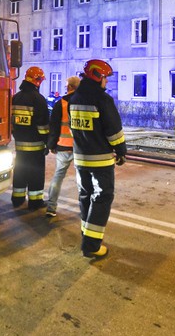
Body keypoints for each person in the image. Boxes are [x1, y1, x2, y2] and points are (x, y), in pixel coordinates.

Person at [69, 59, 126, 259]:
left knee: (85, 195)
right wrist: (121, 150)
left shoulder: (74, 98)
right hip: (100, 159)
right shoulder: (103, 100)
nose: (106, 82)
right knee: (102, 197)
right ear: (97, 76)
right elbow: (113, 131)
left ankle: (86, 234)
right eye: (105, 78)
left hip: (80, 158)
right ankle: (92, 245)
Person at [11, 66, 50, 210]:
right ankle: (35, 201)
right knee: (36, 173)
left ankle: (17, 198)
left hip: (19, 144)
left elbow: (12, 121)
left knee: (20, 170)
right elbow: (43, 125)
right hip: (35, 145)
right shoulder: (38, 99)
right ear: (38, 81)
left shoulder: (16, 97)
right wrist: (47, 142)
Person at [45, 75, 81, 218]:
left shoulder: (61, 104)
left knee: (58, 176)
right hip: (80, 148)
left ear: (71, 87)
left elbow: (54, 126)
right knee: (82, 180)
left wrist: (51, 145)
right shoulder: (84, 103)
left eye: (67, 85)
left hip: (63, 146)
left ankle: (51, 207)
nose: (65, 87)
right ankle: (84, 208)